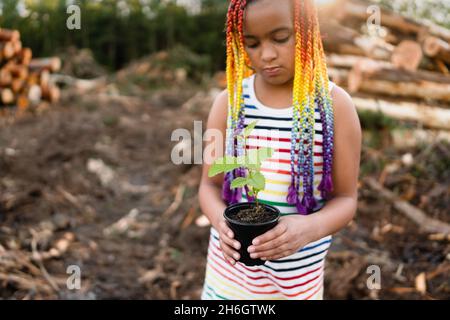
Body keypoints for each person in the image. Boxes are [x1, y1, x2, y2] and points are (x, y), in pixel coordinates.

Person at [198, 0, 361, 300]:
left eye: (280, 38)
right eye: (253, 43)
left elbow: (346, 199)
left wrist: (309, 228)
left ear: (307, 30)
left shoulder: (335, 107)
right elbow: (209, 186)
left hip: (296, 288)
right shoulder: (229, 103)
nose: (267, 55)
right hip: (228, 285)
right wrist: (222, 222)